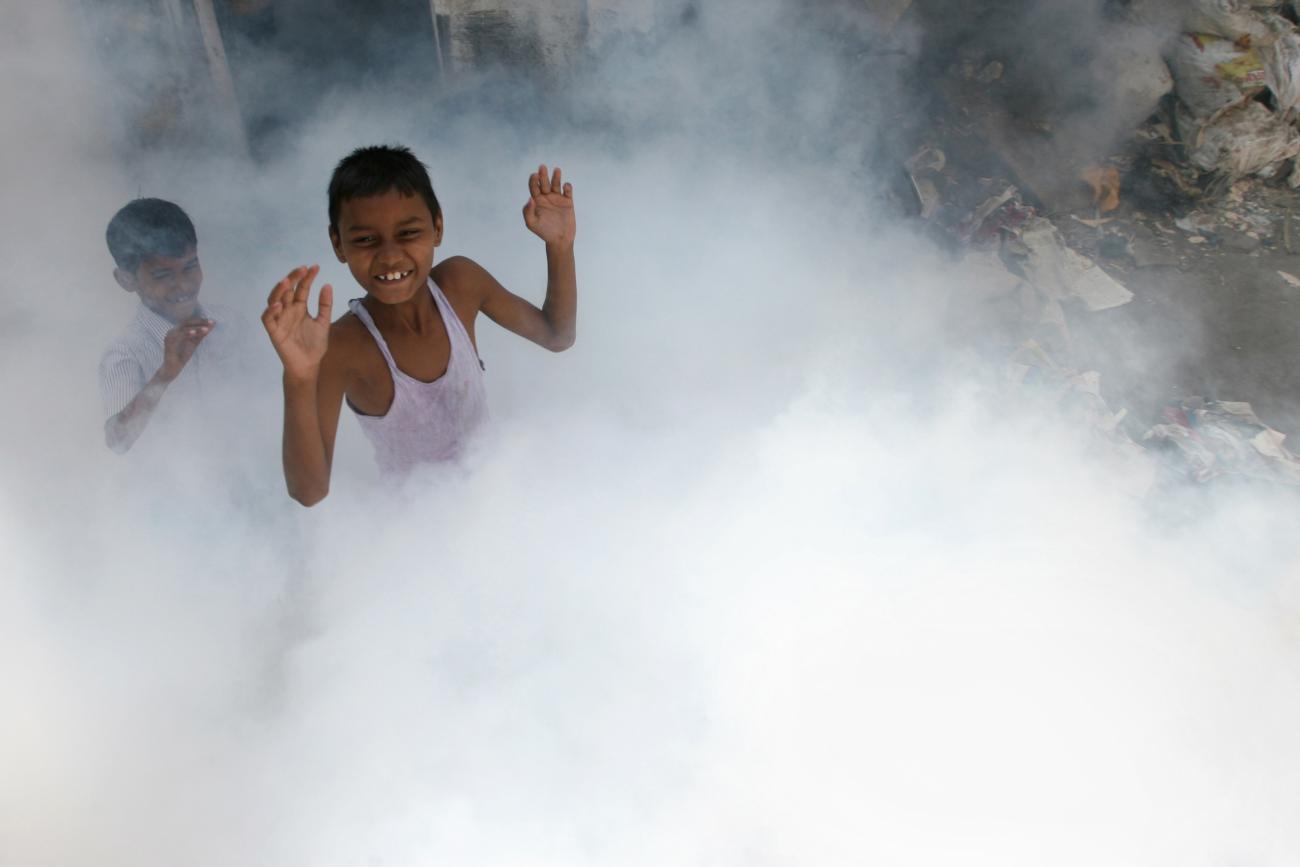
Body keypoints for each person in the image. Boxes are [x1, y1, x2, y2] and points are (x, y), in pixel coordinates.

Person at [262, 145, 577, 506]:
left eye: (408, 233)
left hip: (497, 503)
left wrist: (560, 247)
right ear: (338, 243)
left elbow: (557, 335)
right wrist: (298, 377)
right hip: (422, 534)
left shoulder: (461, 284)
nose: (390, 255)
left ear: (437, 227)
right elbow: (310, 491)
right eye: (366, 240)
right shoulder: (343, 347)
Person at [100, 198, 243, 453]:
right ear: (125, 280)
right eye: (163, 275)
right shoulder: (125, 353)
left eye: (190, 266)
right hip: (177, 486)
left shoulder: (231, 324)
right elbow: (118, 441)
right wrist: (165, 374)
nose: (184, 285)